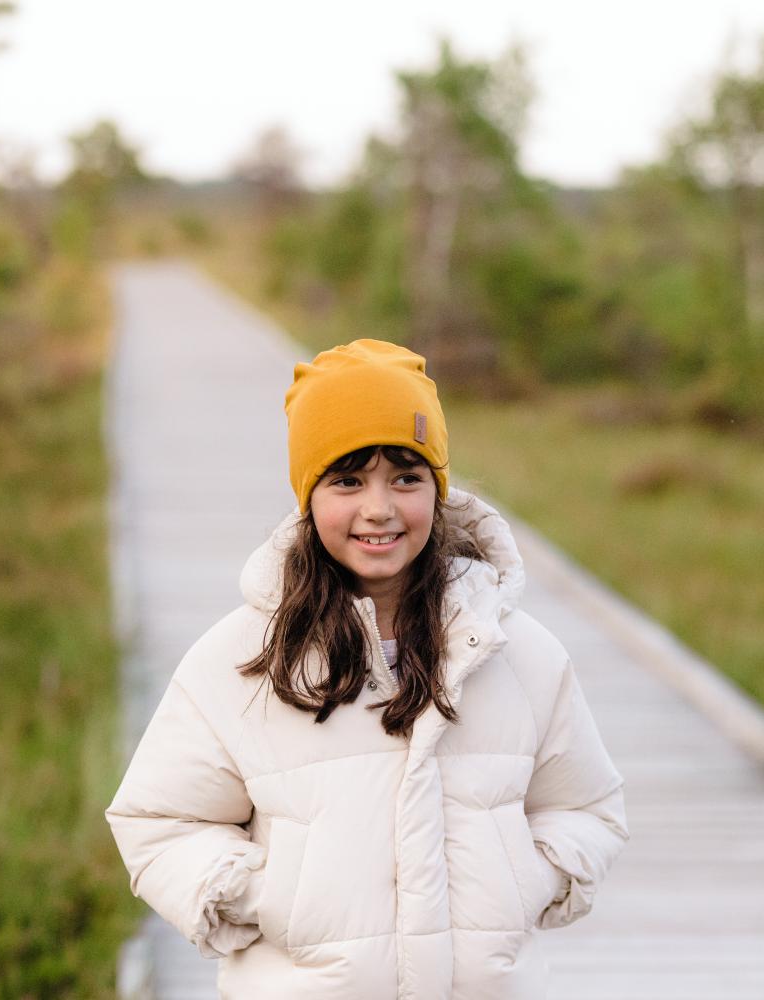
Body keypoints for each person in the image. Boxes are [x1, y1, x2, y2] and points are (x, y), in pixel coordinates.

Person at [106, 338, 629, 999]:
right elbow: (160, 819)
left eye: (405, 478)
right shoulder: (242, 661)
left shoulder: (519, 655)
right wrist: (258, 895)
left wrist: (530, 877)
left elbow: (586, 805)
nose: (378, 509)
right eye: (348, 480)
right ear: (308, 495)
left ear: (436, 490)